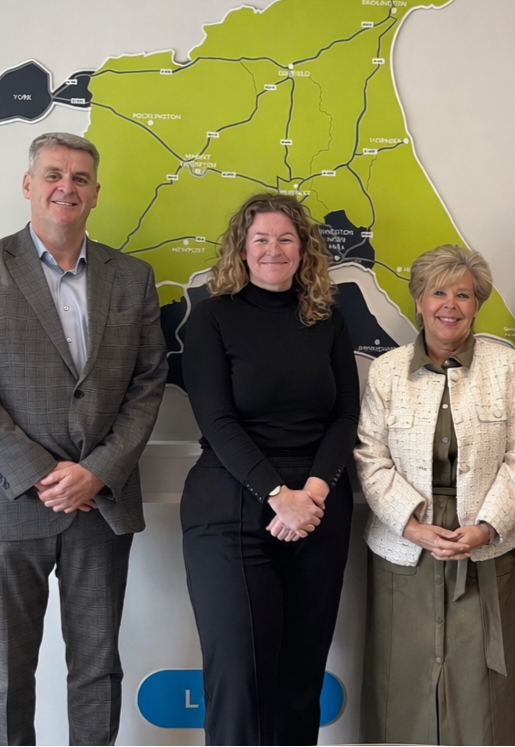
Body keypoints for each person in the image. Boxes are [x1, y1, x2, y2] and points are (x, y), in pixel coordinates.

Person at [0, 131, 167, 746]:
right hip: (7, 502)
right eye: (53, 175)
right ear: (28, 184)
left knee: (97, 671)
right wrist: (42, 475)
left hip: (100, 504)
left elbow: (148, 383)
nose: (66, 187)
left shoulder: (132, 277)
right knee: (6, 678)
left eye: (80, 178)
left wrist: (97, 471)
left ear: (95, 193)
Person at [180, 192, 359, 745]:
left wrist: (312, 493)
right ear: (242, 247)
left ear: (303, 249)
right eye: (261, 239)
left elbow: (345, 415)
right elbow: (216, 420)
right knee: (240, 676)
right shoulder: (211, 318)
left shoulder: (328, 320)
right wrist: (280, 495)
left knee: (300, 680)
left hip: (318, 508)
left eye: (286, 238)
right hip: (230, 507)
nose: (273, 249)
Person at [356, 245, 515, 745]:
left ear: (477, 303)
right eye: (438, 292)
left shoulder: (508, 367)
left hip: (485, 544)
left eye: (463, 295)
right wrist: (412, 526)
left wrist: (486, 527)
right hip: (403, 546)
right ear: (419, 300)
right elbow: (371, 458)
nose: (450, 305)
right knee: (403, 679)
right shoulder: (387, 371)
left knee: (483, 687)